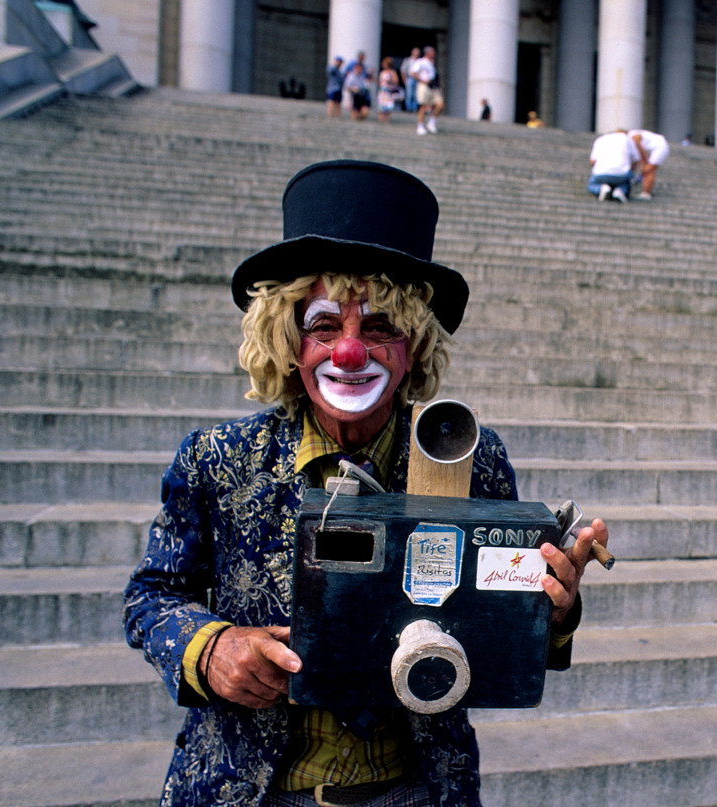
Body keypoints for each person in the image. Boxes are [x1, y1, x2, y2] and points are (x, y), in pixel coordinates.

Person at [124, 160, 609, 807]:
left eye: (378, 327)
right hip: (251, 789)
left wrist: (554, 607)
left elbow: (510, 618)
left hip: (416, 788)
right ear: (289, 341)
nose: (349, 351)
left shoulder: (472, 455)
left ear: (414, 346)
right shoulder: (218, 459)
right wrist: (208, 646)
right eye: (325, 326)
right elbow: (151, 594)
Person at [587, 129, 640, 203]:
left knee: (591, 184)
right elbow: (637, 158)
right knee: (626, 181)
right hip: (621, 173)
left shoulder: (600, 139)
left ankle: (601, 188)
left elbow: (593, 161)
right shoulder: (627, 139)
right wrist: (631, 170)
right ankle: (620, 190)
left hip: (600, 172)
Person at [628, 129, 670, 200]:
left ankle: (646, 193)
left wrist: (645, 162)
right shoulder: (630, 137)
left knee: (649, 170)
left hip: (659, 147)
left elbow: (640, 149)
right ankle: (646, 192)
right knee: (646, 169)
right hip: (655, 147)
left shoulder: (631, 135)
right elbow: (636, 158)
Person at [411, 47, 444, 135]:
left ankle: (431, 122)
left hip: (433, 86)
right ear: (428, 53)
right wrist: (422, 80)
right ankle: (420, 126)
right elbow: (413, 73)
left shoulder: (432, 63)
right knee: (423, 106)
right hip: (424, 85)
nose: (434, 54)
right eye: (432, 52)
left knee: (440, 104)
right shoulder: (421, 62)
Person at [375, 57, 401, 123]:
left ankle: (387, 119)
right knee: (381, 105)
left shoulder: (392, 72)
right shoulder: (382, 72)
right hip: (382, 90)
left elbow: (396, 81)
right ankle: (380, 119)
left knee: (388, 105)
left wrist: (390, 81)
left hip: (389, 90)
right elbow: (380, 82)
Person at [400, 48, 420, 113]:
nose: (417, 53)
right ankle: (408, 107)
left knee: (416, 94)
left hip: (417, 79)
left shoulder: (419, 61)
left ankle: (414, 108)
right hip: (409, 78)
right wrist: (404, 78)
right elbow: (403, 70)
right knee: (409, 94)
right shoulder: (407, 60)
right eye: (415, 52)